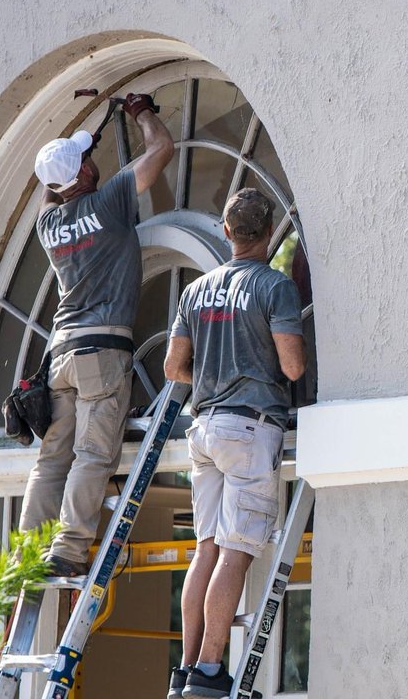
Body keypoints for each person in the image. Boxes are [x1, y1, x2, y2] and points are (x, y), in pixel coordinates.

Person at [18, 93, 176, 576]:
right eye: (87, 160)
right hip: (101, 352)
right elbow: (162, 149)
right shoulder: (110, 201)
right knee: (92, 455)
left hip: (60, 354)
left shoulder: (47, 223)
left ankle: (28, 554)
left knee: (52, 459)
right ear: (85, 173)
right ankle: (68, 549)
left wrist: (70, 159)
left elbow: (53, 187)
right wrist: (142, 112)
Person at [162, 188, 306, 699]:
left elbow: (173, 367)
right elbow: (293, 367)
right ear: (269, 233)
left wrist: (215, 371)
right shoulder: (274, 287)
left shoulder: (196, 291)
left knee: (205, 548)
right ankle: (208, 670)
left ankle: (186, 667)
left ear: (226, 231)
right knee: (236, 551)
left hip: (203, 430)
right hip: (249, 429)